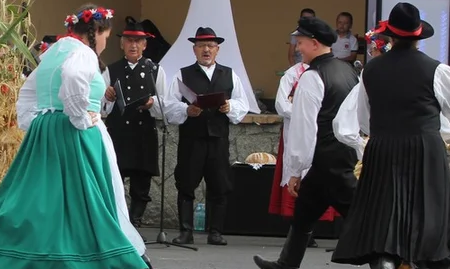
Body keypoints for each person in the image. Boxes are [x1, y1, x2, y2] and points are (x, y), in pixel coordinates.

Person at [0, 4, 150, 269]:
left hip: (46, 135)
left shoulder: (53, 52)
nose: (104, 44)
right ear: (94, 32)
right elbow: (72, 82)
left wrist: (38, 123)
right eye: (105, 36)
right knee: (94, 212)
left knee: (31, 209)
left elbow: (27, 93)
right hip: (73, 137)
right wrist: (80, 117)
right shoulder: (82, 55)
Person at [332, 2, 450, 269]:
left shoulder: (371, 71)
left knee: (386, 216)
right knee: (435, 217)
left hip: (382, 148)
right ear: (417, 37)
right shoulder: (436, 70)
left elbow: (365, 120)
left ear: (391, 36)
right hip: (425, 148)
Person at [253, 16, 359, 269]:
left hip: (325, 158)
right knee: (305, 211)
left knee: (361, 218)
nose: (297, 48)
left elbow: (304, 127)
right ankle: (287, 266)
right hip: (344, 154)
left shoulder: (313, 77)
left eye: (300, 43)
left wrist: (296, 169)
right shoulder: (348, 72)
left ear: (314, 43)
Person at [164, 27, 250, 245]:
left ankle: (216, 231)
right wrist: (186, 110)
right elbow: (169, 104)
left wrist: (229, 106)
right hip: (192, 139)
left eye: (210, 46)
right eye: (202, 46)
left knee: (219, 184)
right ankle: (186, 231)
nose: (206, 50)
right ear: (194, 49)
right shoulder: (182, 75)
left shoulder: (230, 74)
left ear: (217, 50)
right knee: (186, 183)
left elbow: (243, 104)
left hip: (218, 139)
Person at [269, 47, 342, 247]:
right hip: (297, 132)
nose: (298, 48)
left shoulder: (328, 72)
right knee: (299, 178)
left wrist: (313, 111)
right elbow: (281, 104)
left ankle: (305, 236)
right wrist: (304, 111)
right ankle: (298, 234)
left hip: (323, 134)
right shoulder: (292, 74)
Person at [101, 20, 168, 228]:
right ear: (122, 44)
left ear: (145, 45)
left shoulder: (155, 70)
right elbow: (100, 107)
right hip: (119, 131)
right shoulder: (110, 70)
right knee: (115, 177)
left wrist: (152, 104)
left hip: (143, 132)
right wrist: (108, 97)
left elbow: (164, 103)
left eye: (138, 41)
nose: (133, 45)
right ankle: (118, 220)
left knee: (141, 180)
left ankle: (136, 219)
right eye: (129, 41)